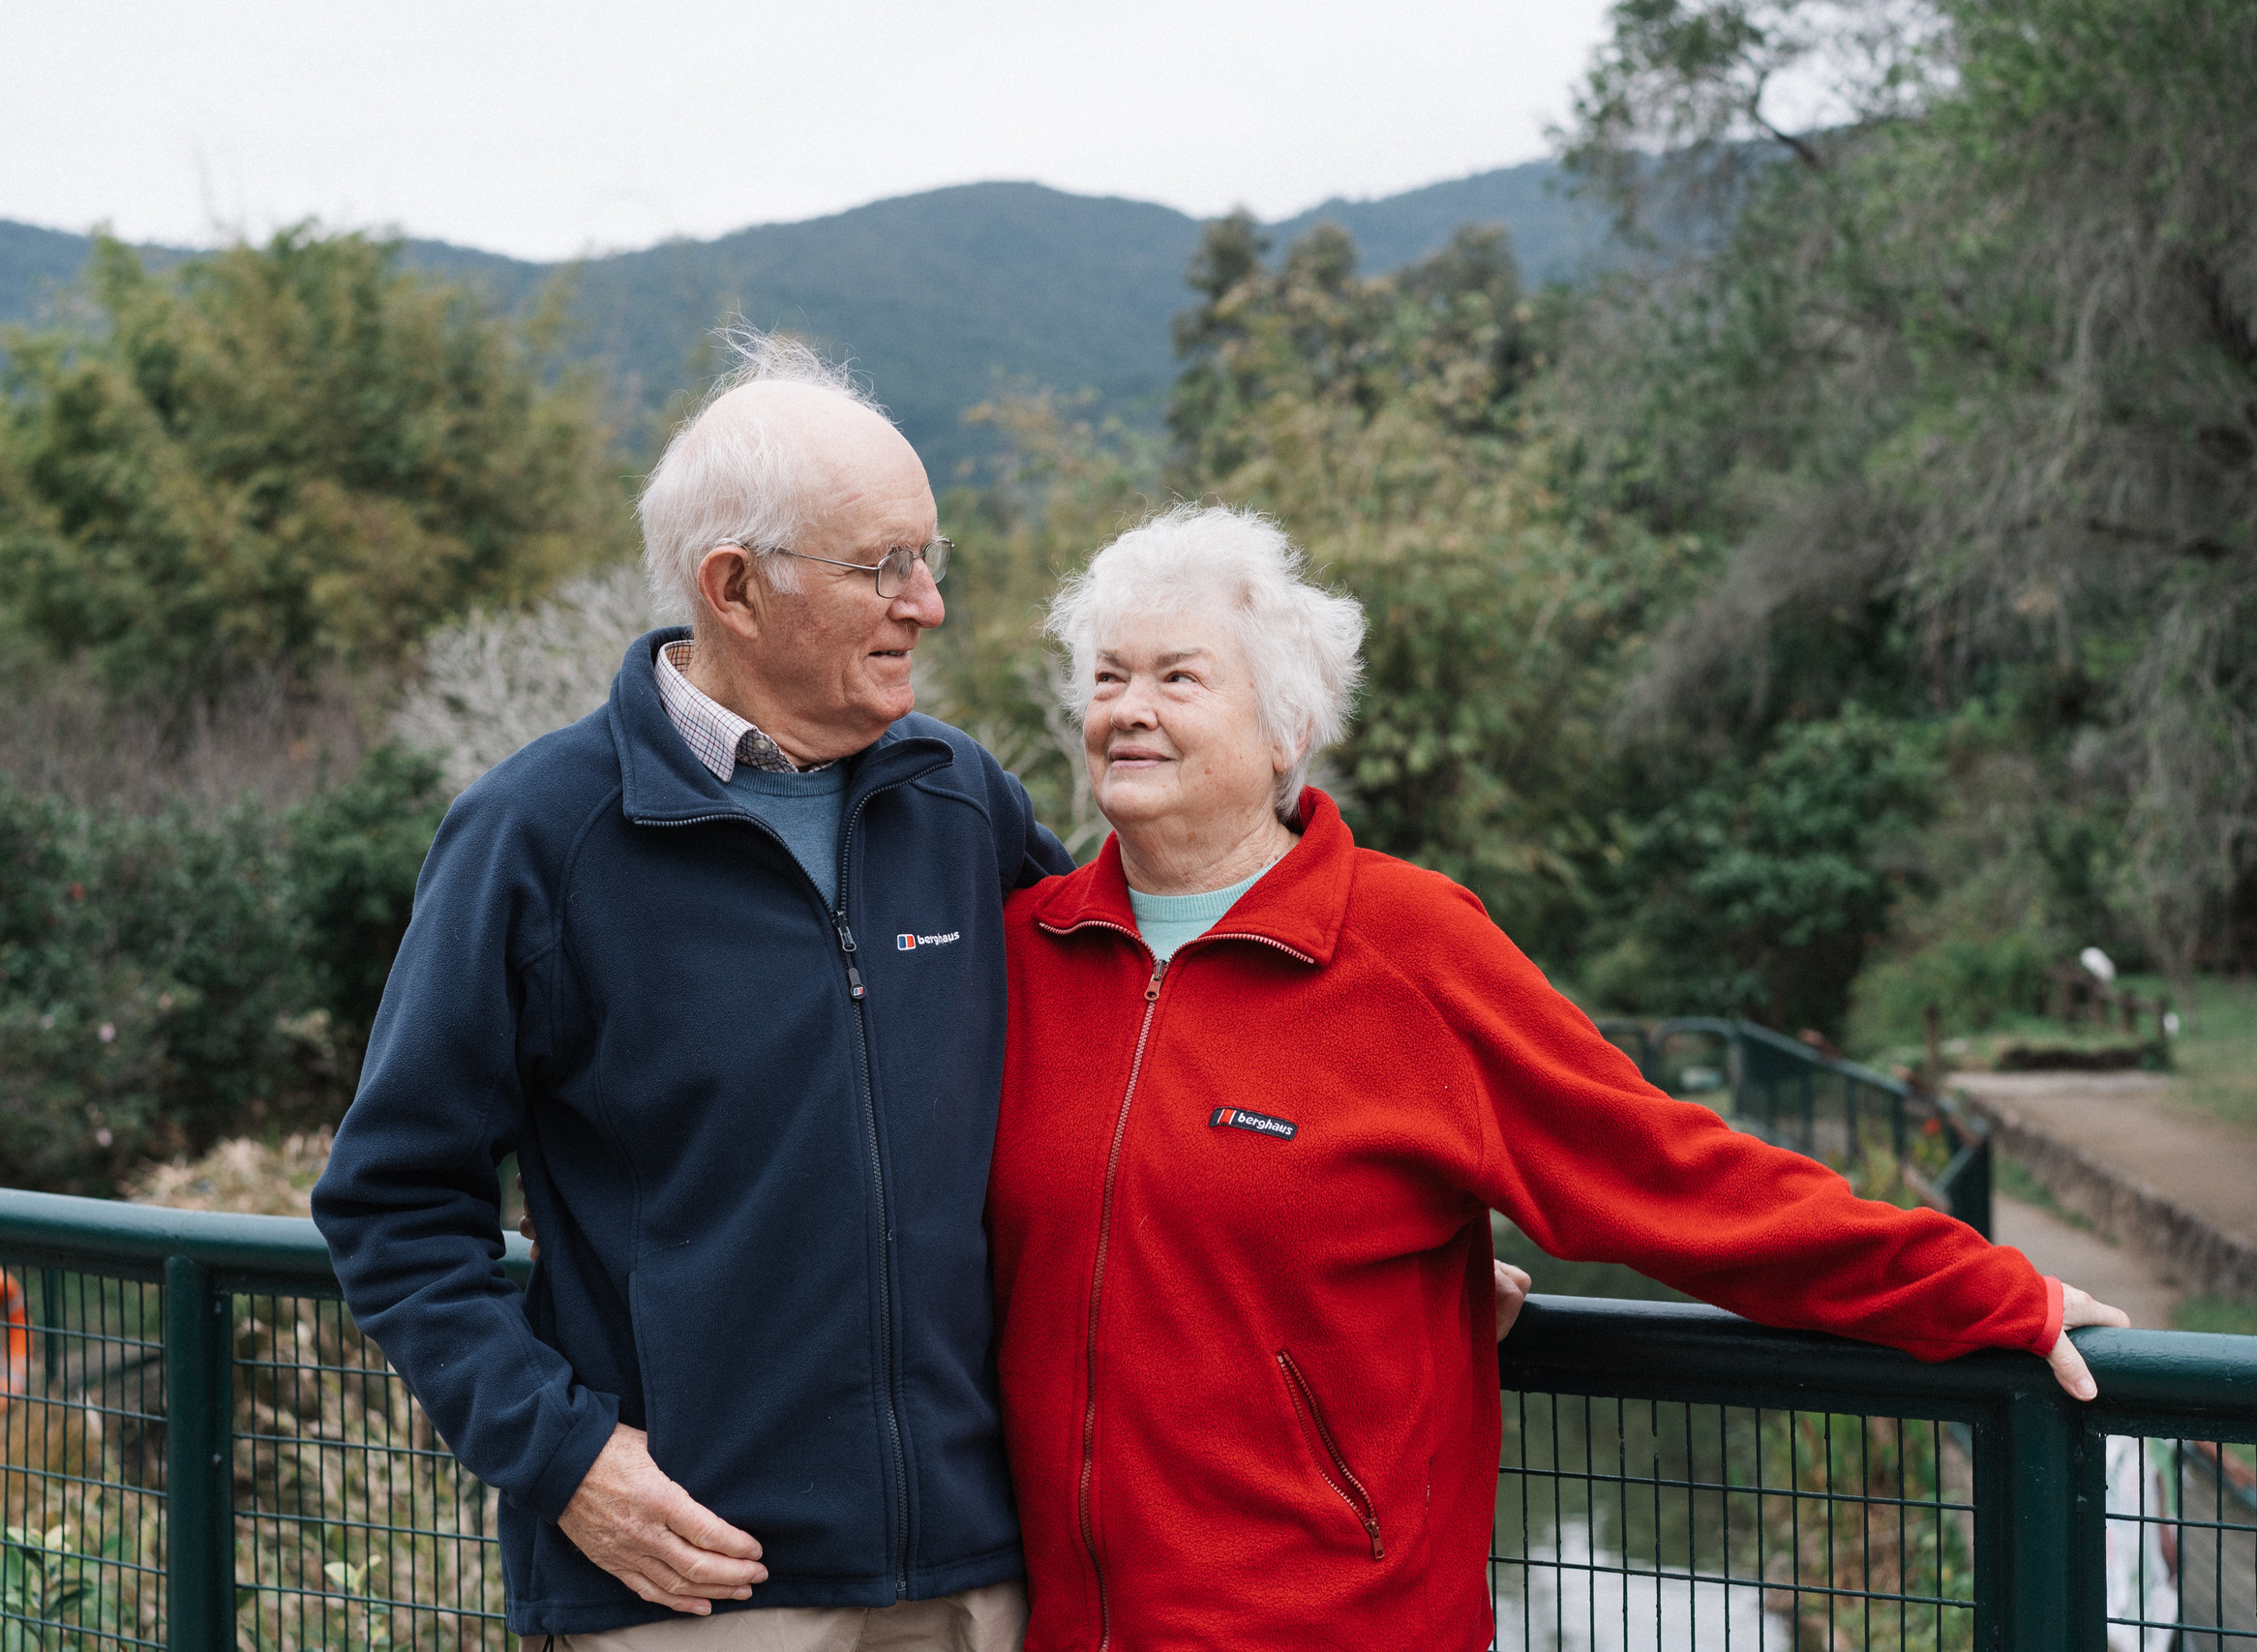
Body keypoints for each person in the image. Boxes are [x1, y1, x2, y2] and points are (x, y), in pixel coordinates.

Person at [984, 503, 2128, 1651]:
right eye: (1107, 678)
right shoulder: (1020, 953)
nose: (1127, 710)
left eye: (1178, 678)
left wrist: (1972, 1288)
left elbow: (1669, 1176)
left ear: (1287, 729)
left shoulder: (1410, 950)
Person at [313, 335, 1070, 1648]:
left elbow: (1140, 1043)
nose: (927, 604)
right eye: (883, 567)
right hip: (693, 1589)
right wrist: (563, 1458)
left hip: (969, 1570)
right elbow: (390, 1200)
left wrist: (1359, 1225)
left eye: (929, 560)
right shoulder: (538, 837)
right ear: (734, 586)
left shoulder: (962, 799)